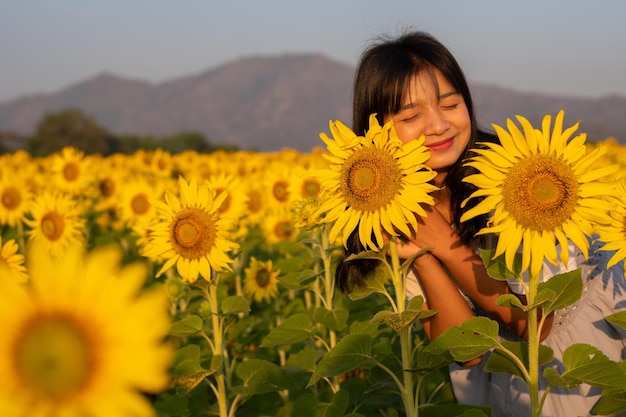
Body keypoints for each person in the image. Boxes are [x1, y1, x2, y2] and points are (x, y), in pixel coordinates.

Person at [335, 30, 626, 417]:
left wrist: (446, 245)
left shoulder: (513, 181)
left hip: (586, 357)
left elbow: (538, 323)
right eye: (410, 116)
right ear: (378, 132)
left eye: (450, 104)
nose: (438, 125)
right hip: (511, 384)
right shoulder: (387, 215)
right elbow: (465, 351)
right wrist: (420, 254)